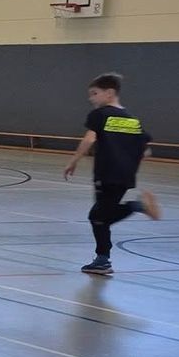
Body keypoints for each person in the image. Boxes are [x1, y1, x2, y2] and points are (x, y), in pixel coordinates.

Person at [63, 72, 162, 275]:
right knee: (101, 216)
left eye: (94, 93)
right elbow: (146, 151)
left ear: (109, 93)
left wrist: (73, 161)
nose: (91, 98)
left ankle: (136, 208)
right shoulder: (132, 120)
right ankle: (102, 259)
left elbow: (90, 139)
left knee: (98, 217)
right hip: (126, 177)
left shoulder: (99, 115)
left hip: (106, 174)